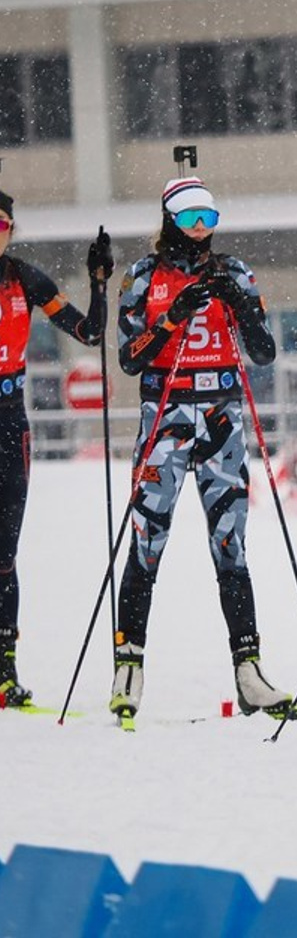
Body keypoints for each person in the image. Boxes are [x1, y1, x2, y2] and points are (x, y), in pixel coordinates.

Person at [112, 177, 288, 721]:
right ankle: (128, 668)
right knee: (147, 539)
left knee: (230, 545)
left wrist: (242, 306)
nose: (200, 230)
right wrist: (171, 318)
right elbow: (130, 357)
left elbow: (263, 353)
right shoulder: (143, 275)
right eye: (189, 219)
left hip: (221, 419)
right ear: (169, 219)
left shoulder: (233, 271)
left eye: (208, 219)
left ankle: (250, 671)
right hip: (165, 417)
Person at [0, 192, 109, 708]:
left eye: (1, 225)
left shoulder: (25, 278)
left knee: (4, 553)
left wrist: (99, 283)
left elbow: (88, 331)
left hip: (8, 419)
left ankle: (4, 672)